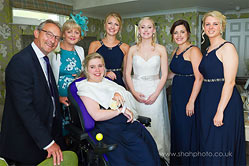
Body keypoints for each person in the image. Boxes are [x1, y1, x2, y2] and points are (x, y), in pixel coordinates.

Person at [76, 52, 161, 166]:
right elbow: (97, 115)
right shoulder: (85, 88)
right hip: (109, 128)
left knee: (149, 145)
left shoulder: (107, 82)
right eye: (92, 67)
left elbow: (120, 97)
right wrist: (121, 110)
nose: (97, 70)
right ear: (86, 69)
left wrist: (116, 93)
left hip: (126, 124)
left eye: (100, 66)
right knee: (143, 156)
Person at [0, 20, 65, 165]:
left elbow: (43, 90)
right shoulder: (21, 61)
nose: (53, 40)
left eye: (57, 37)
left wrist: (56, 99)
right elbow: (24, 108)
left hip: (46, 129)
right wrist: (48, 143)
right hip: (25, 141)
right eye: (49, 34)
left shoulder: (44, 59)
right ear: (36, 33)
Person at [198, 11, 246, 165]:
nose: (211, 27)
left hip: (224, 102)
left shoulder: (227, 48)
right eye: (207, 24)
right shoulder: (206, 50)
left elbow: (230, 82)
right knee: (208, 144)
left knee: (219, 143)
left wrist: (220, 111)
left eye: (215, 24)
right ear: (203, 28)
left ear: (222, 27)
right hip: (207, 100)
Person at [125, 17, 170, 162]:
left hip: (155, 88)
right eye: (142, 27)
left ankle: (158, 155)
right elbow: (127, 74)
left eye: (149, 27)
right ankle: (140, 154)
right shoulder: (132, 49)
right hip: (137, 88)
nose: (146, 30)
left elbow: (164, 75)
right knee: (137, 121)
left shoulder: (161, 49)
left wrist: (156, 93)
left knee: (156, 122)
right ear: (139, 30)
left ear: (154, 30)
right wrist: (133, 92)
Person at [168, 19, 203, 165]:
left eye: (182, 32)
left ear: (188, 33)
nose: (179, 35)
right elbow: (173, 74)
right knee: (178, 130)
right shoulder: (175, 51)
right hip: (177, 95)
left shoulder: (193, 50)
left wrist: (191, 101)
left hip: (189, 95)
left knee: (187, 131)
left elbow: (199, 77)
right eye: (175, 32)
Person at [49, 12, 87, 136]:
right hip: (58, 95)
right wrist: (57, 98)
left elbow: (84, 70)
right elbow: (47, 77)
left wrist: (82, 75)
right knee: (60, 129)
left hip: (76, 94)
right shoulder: (54, 50)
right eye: (69, 31)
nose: (73, 35)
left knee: (76, 126)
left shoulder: (80, 50)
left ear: (80, 36)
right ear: (63, 33)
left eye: (76, 32)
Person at [88, 12, 129, 87]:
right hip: (98, 83)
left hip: (118, 84)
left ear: (119, 28)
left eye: (116, 24)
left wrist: (128, 90)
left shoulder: (125, 47)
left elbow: (126, 74)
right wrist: (105, 73)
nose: (112, 27)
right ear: (105, 25)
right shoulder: (94, 45)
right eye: (110, 23)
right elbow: (88, 69)